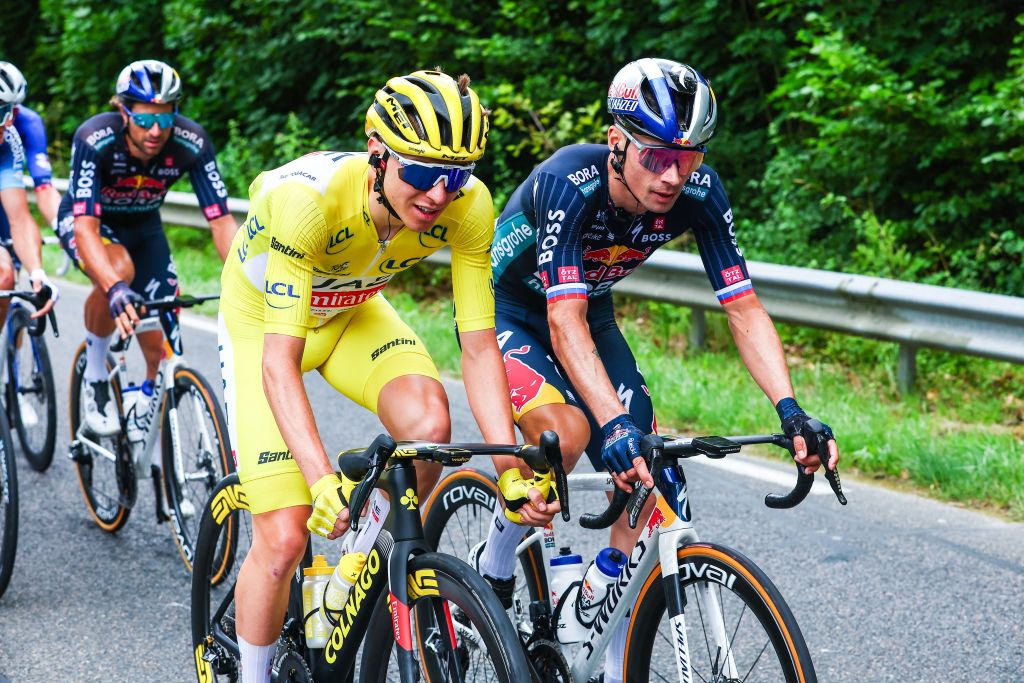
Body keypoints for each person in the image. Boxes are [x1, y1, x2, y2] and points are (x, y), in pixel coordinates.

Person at [482, 58, 841, 682]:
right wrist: (608, 423)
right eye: (656, 156)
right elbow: (560, 324)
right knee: (565, 435)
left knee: (651, 467)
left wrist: (790, 409)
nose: (673, 175)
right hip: (516, 312)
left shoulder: (700, 192)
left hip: (589, 312)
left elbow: (744, 307)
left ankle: (600, 595)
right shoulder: (571, 178)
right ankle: (495, 562)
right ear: (617, 141)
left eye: (689, 156)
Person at [217, 69, 516, 683]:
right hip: (264, 329)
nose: (438, 195)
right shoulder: (308, 201)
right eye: (421, 173)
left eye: (455, 176)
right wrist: (321, 478)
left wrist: (511, 470)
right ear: (377, 154)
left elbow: (480, 346)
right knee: (283, 539)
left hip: (353, 312)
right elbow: (278, 363)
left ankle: (355, 564)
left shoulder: (470, 208)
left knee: (428, 428)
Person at [56, 59, 237, 438]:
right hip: (92, 223)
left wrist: (245, 279)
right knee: (119, 272)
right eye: (143, 120)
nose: (156, 130)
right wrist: (115, 288)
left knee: (166, 348)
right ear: (123, 112)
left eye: (165, 119)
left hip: (145, 228)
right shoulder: (94, 138)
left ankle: (152, 437)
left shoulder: (193, 142)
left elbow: (221, 221)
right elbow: (85, 226)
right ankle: (95, 376)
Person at [0, 62, 57, 337]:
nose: (6, 123)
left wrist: (37, 272)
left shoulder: (8, 138)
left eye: (8, 112)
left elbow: (20, 219)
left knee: (4, 276)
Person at [0, 62, 61, 228]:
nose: (7, 121)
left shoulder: (29, 123)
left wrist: (64, 228)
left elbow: (44, 186)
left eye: (12, 111)